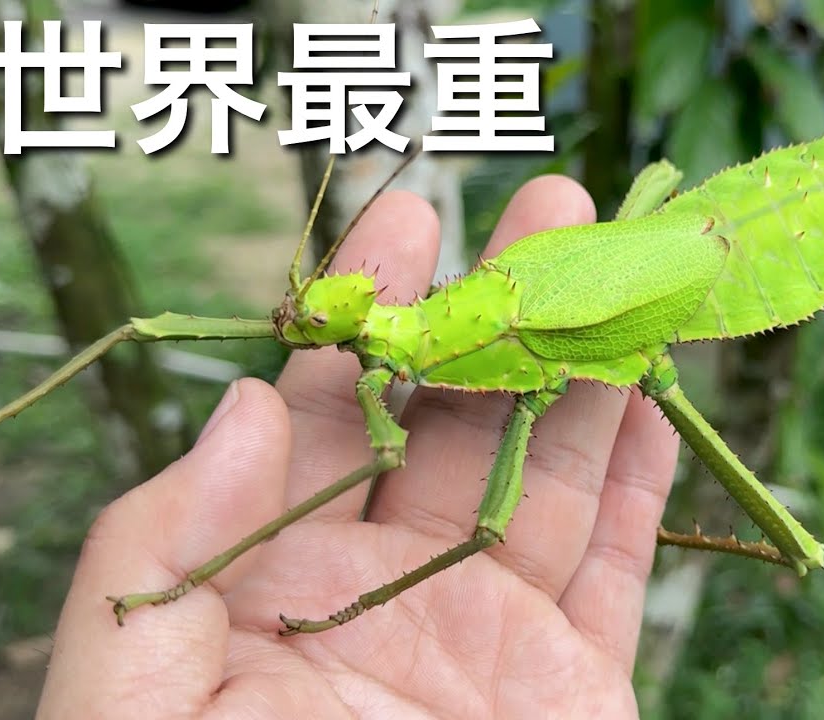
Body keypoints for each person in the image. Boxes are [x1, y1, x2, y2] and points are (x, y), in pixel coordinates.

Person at [36, 176, 680, 718]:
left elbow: (388, 454)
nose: (291, 320)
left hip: (566, 332)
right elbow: (136, 329)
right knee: (136, 330)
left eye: (309, 318)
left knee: (488, 527)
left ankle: (345, 605)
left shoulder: (379, 373)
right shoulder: (376, 335)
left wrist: (343, 605)